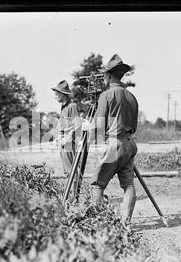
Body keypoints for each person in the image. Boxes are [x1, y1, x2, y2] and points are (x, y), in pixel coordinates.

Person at [90, 54, 139, 226]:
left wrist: (88, 131)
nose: (103, 77)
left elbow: (99, 125)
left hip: (114, 144)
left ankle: (95, 223)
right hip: (129, 144)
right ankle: (126, 223)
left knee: (97, 184)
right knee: (128, 185)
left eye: (104, 74)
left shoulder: (106, 95)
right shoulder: (132, 97)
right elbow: (134, 126)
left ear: (109, 75)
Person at [52, 80, 82, 194]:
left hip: (69, 143)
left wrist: (67, 139)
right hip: (63, 142)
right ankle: (71, 196)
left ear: (63, 94)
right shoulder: (63, 107)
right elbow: (63, 124)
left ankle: (75, 197)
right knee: (68, 171)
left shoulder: (72, 106)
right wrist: (58, 137)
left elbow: (77, 125)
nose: (55, 96)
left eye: (57, 94)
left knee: (72, 171)